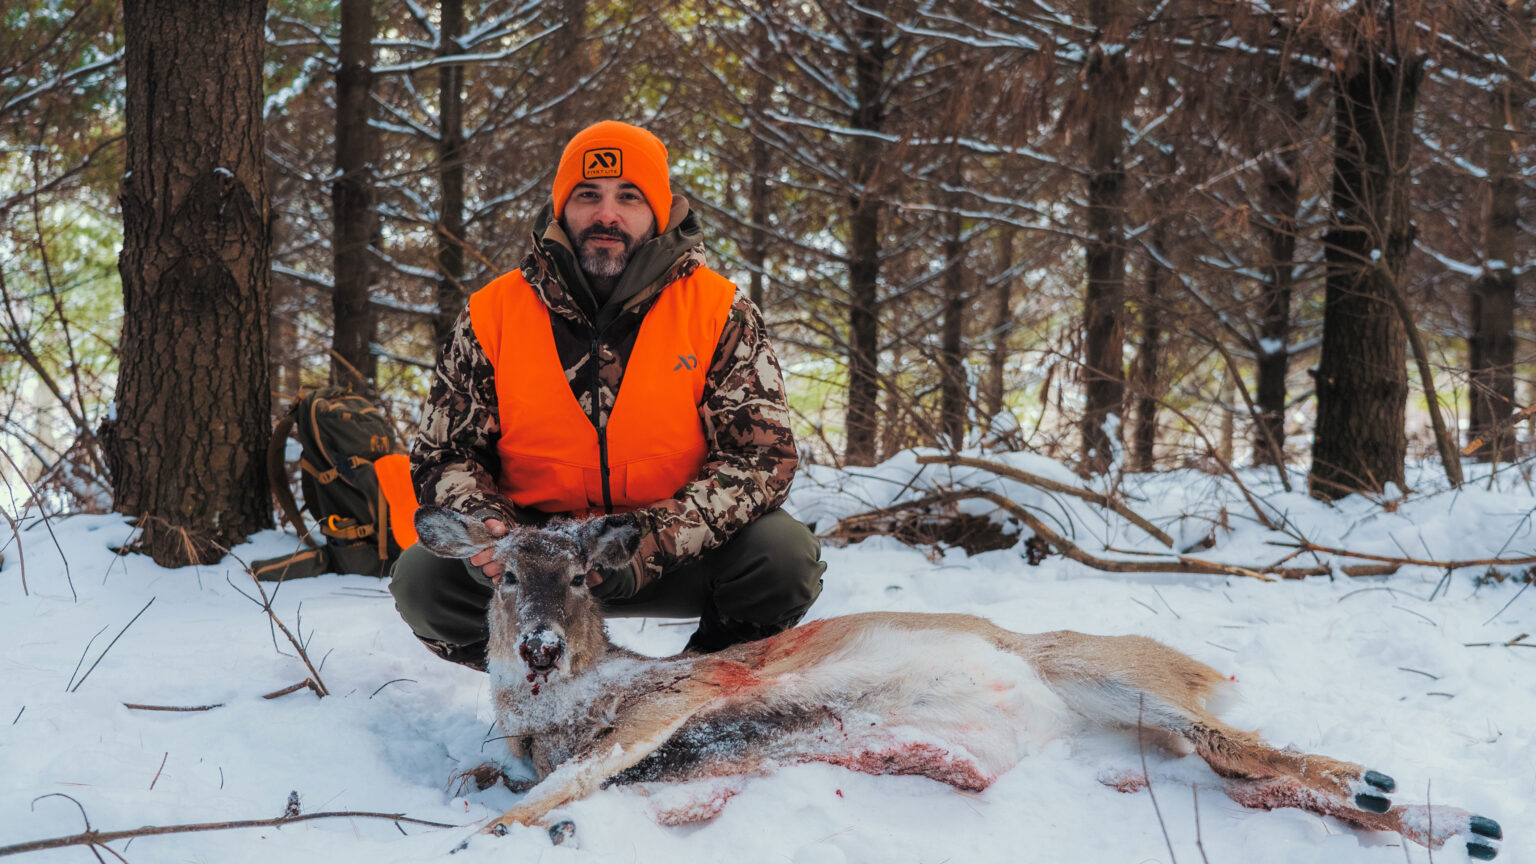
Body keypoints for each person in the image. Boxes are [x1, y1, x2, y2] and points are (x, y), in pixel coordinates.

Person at [388, 120, 825, 671]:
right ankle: (536, 682)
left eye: (629, 197)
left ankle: (706, 682)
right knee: (423, 582)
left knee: (782, 559)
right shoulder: (492, 313)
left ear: (660, 212)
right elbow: (446, 453)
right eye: (587, 195)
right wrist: (494, 534)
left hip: (669, 551)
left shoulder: (719, 311)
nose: (606, 215)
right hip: (534, 564)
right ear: (560, 209)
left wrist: (646, 543)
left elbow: (761, 461)